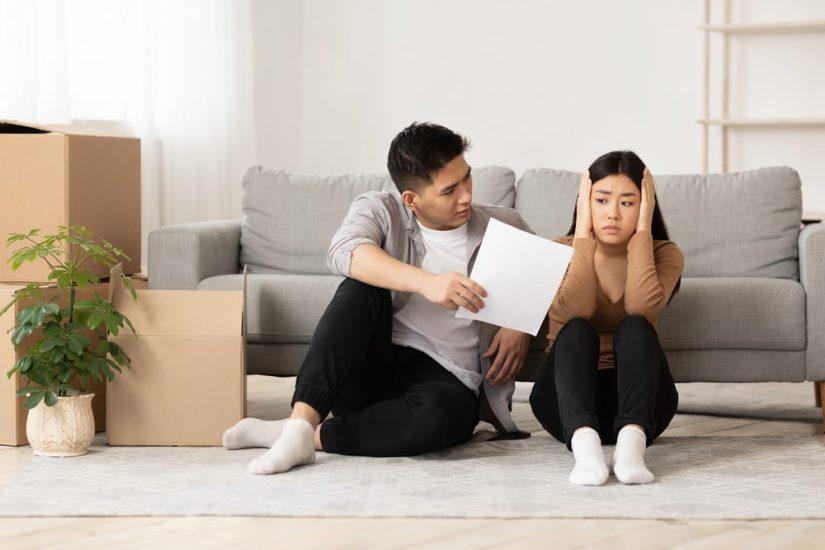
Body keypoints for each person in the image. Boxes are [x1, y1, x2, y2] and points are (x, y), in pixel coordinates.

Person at [223, 122, 533, 474]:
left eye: (467, 178)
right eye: (449, 190)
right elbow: (344, 251)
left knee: (443, 420)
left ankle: (300, 436)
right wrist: (426, 283)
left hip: (448, 378)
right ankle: (300, 423)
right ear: (411, 199)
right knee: (359, 287)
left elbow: (547, 278)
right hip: (374, 364)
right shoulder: (380, 208)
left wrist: (519, 324)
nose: (465, 195)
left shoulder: (505, 225)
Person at [529, 150, 684, 486]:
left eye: (628, 203)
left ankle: (631, 448)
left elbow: (643, 308)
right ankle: (586, 450)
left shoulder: (665, 254)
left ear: (646, 206)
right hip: (565, 401)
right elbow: (576, 310)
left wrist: (642, 233)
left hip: (641, 406)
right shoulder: (559, 250)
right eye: (601, 200)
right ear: (585, 202)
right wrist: (583, 236)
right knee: (576, 329)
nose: (612, 213)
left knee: (636, 326)